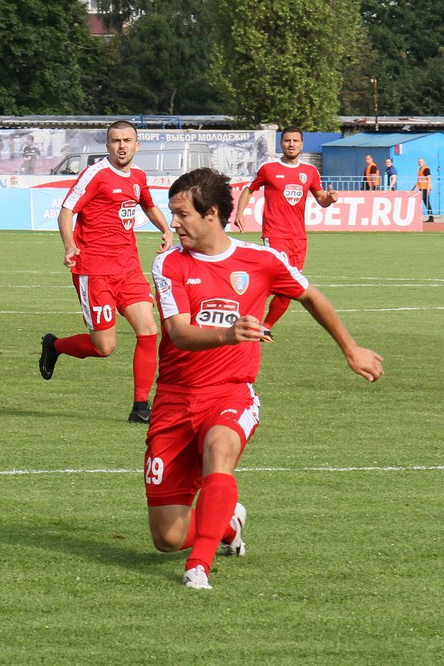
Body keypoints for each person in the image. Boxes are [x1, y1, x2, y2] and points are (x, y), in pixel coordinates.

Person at [146, 167, 383, 590]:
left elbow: (309, 294)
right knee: (167, 537)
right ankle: (228, 524)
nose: (174, 223)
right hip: (175, 398)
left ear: (212, 213)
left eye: (182, 214)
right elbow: (178, 333)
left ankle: (198, 567)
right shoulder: (169, 264)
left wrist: (351, 348)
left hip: (231, 392)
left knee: (220, 451)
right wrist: (228, 332)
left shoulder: (262, 260)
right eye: (172, 213)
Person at [38, 120, 173, 424]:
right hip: (94, 272)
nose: (121, 146)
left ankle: (140, 407)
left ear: (137, 145)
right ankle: (55, 346)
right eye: (115, 141)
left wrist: (165, 228)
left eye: (127, 140)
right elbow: (67, 210)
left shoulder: (138, 176)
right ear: (108, 145)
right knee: (104, 347)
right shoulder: (96, 174)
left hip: (128, 269)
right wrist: (70, 245)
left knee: (149, 330)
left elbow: (148, 204)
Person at [234, 126, 338, 339]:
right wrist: (240, 212)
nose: (291, 144)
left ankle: (265, 326)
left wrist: (330, 199)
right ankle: (242, 312)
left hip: (299, 238)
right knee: (275, 279)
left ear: (302, 144)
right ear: (281, 144)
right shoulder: (269, 168)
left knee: (289, 287)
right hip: (275, 235)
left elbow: (321, 199)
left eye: (295, 141)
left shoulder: (309, 171)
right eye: (287, 140)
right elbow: (249, 189)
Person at [415, 158, 434, 222]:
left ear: (424, 162)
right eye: (419, 162)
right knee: (425, 202)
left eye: (421, 162)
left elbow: (429, 179)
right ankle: (430, 217)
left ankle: (431, 217)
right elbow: (419, 179)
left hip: (425, 188)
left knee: (426, 202)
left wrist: (428, 189)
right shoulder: (420, 169)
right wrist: (415, 186)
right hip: (421, 188)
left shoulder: (426, 169)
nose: (419, 163)